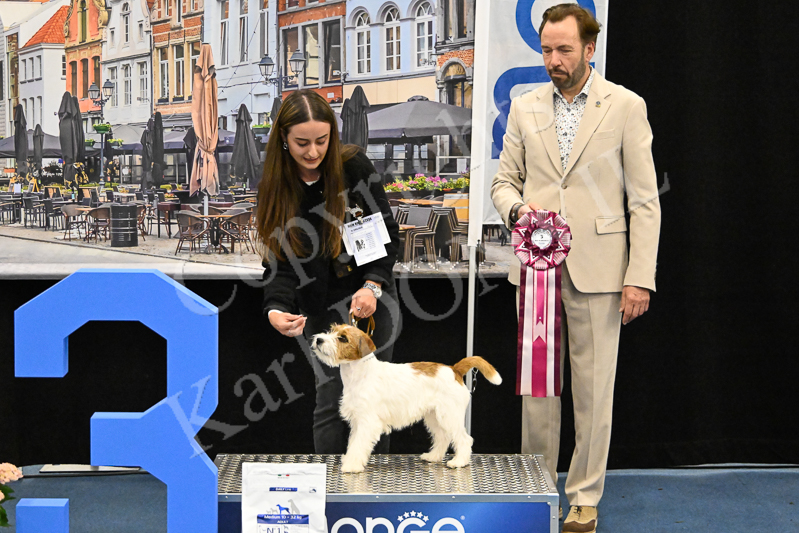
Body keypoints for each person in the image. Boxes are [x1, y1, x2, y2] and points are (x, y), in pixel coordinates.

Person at [491, 5, 661, 533]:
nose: (553, 60)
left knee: (593, 392)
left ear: (590, 49)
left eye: (564, 50)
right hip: (535, 272)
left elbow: (645, 200)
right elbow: (503, 183)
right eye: (546, 50)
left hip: (602, 271)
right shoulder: (524, 106)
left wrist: (639, 276)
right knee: (538, 392)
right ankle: (537, 491)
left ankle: (584, 497)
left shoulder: (626, 106)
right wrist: (520, 214)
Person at [256, 89, 402, 454]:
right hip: (320, 310)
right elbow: (278, 262)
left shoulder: (354, 167)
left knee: (372, 403)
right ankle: (332, 484)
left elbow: (385, 237)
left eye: (321, 141)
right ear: (284, 139)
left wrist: (372, 285)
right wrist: (275, 308)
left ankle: (373, 483)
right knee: (329, 402)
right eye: (302, 143)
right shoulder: (276, 186)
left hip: (371, 300)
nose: (313, 152)